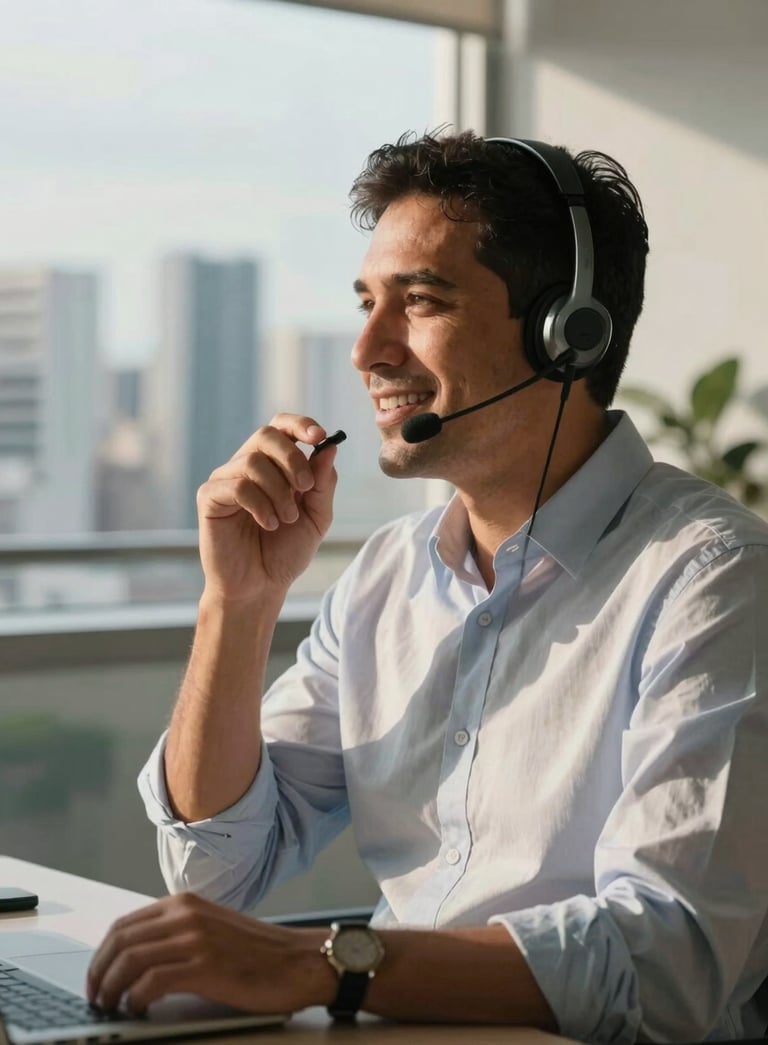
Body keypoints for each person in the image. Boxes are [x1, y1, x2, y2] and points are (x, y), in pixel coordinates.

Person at [87, 131, 768, 1042]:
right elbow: (215, 870)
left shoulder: (713, 578)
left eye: (420, 301)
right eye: (367, 302)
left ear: (568, 334)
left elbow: (668, 962)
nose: (368, 348)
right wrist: (237, 605)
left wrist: (314, 964)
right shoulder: (388, 576)